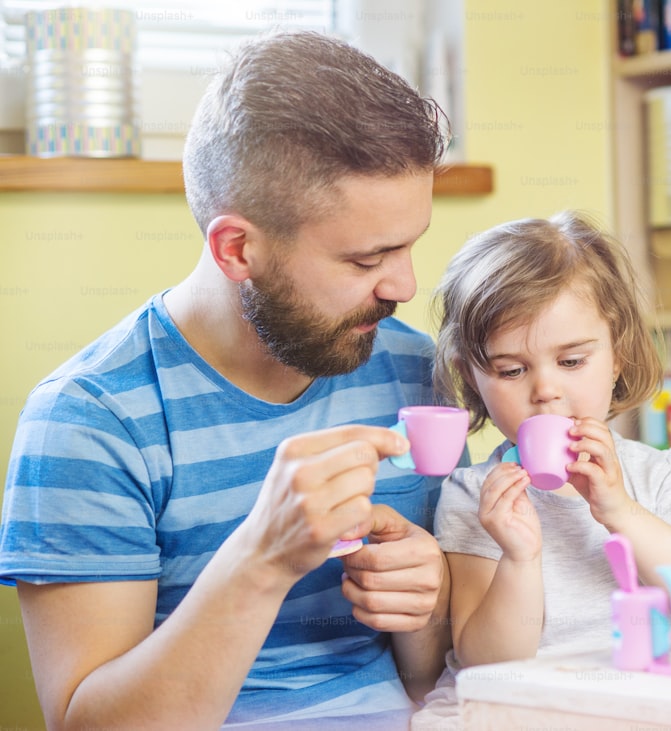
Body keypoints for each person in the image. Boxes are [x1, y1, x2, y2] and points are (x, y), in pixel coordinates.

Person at [0, 31, 456, 730]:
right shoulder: (91, 418)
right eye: (369, 259)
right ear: (237, 248)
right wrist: (261, 559)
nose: (405, 284)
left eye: (411, 243)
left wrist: (429, 601)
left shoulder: (410, 370)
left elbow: (440, 674)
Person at [410, 211, 671, 728]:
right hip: (517, 705)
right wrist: (519, 557)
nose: (545, 389)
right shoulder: (474, 495)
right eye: (511, 370)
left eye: (571, 361)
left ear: (616, 357)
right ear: (472, 377)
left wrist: (619, 510)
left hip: (638, 696)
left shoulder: (663, 473)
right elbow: (489, 664)